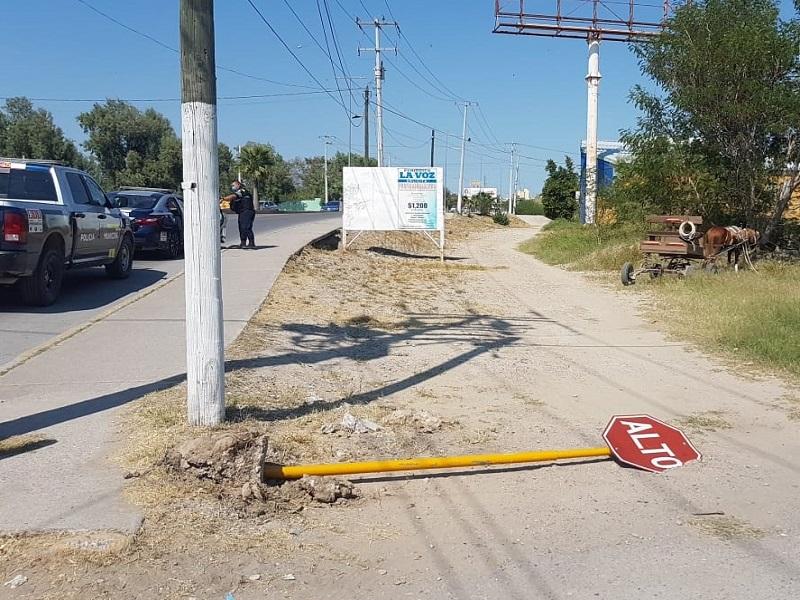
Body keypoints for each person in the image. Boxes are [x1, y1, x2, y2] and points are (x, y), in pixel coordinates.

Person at [221, 180, 255, 248]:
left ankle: (251, 243)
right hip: (242, 212)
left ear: (238, 185)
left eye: (233, 185)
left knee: (246, 227)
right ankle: (243, 243)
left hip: (247, 212)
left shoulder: (242, 191)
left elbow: (233, 196)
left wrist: (223, 198)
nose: (232, 187)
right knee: (241, 228)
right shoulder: (239, 193)